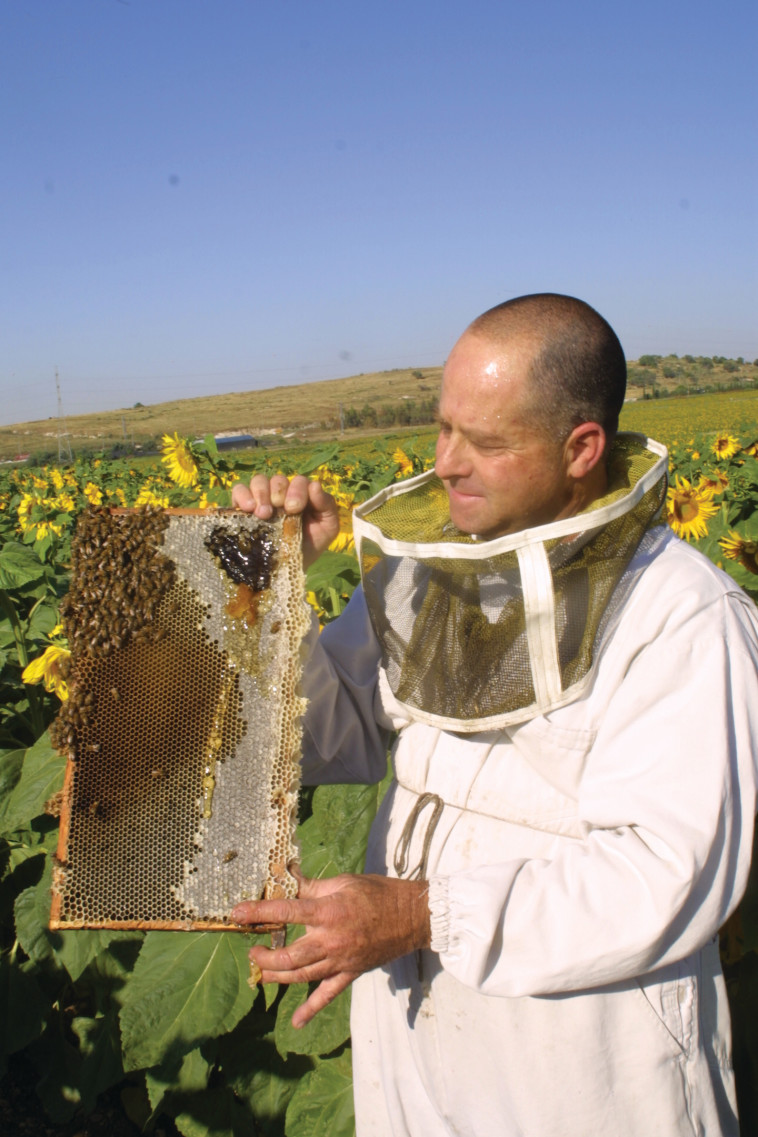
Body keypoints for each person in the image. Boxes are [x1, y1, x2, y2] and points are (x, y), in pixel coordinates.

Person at [231, 293, 758, 1137]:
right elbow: (332, 735)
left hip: (581, 1044)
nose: (446, 463)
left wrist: (423, 912)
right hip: (411, 1012)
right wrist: (274, 590)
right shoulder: (427, 574)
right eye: (444, 428)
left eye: (486, 442)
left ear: (580, 447)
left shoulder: (684, 613)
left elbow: (670, 872)